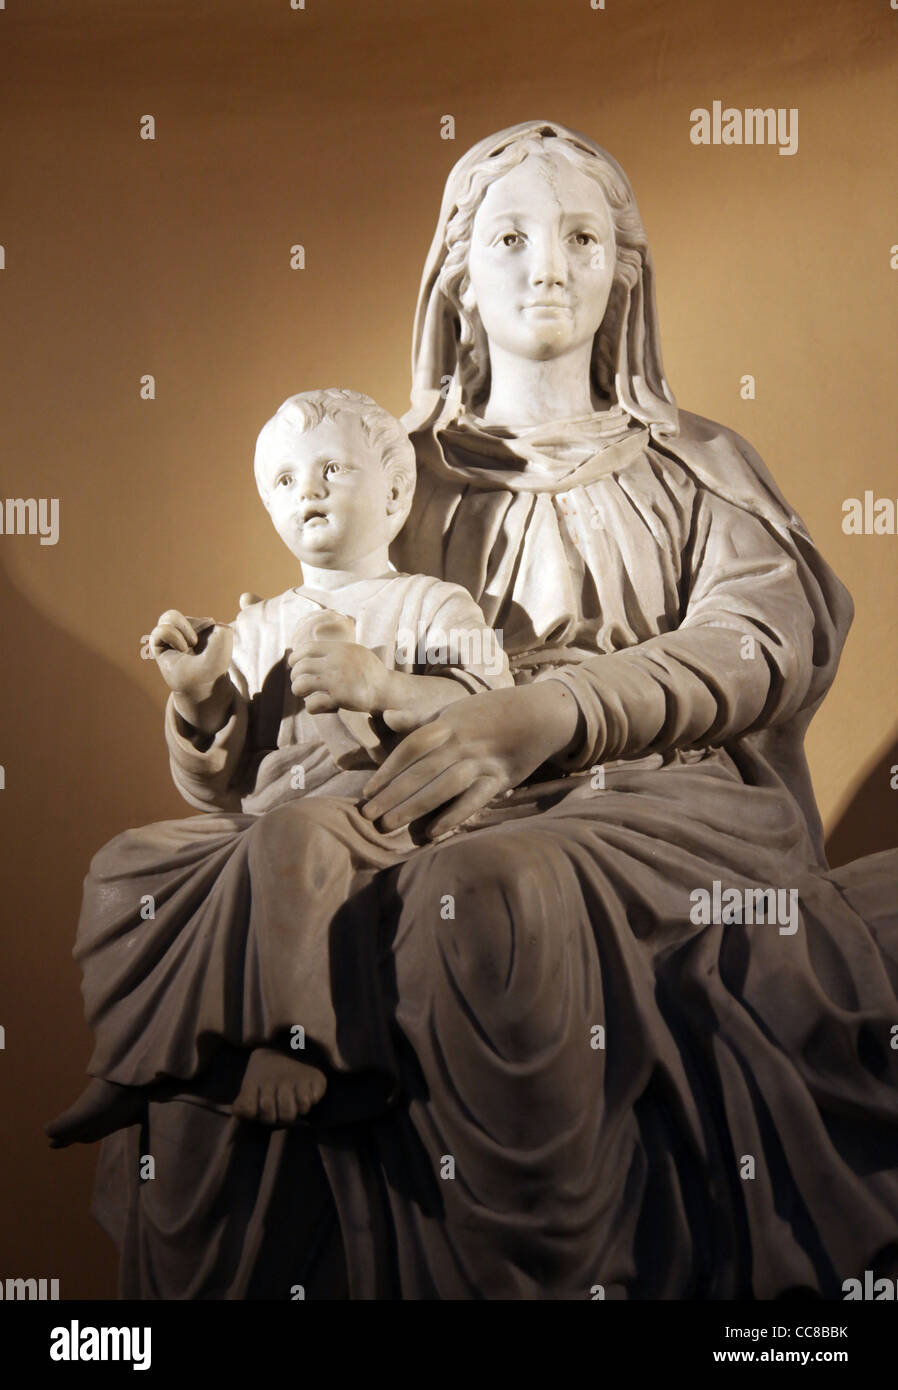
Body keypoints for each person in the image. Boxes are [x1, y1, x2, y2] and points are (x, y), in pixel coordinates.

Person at [58, 122, 898, 1301]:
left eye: (580, 237)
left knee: (488, 897)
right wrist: (205, 722)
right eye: (509, 237)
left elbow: (759, 644)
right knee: (165, 887)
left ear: (624, 273)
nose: (546, 265)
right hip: (390, 799)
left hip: (646, 802)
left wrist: (545, 716)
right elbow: (266, 734)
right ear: (457, 273)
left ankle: (545, 1274)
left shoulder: (697, 465)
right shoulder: (379, 467)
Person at [46, 387, 512, 1147]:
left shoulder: (432, 604)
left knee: (289, 840)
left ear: (396, 493)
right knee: (126, 863)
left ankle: (296, 1043)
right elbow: (217, 784)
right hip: (264, 822)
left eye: (332, 469)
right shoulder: (257, 625)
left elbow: (494, 709)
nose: (310, 492)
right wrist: (200, 696)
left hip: (378, 817)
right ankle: (134, 1063)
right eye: (286, 482)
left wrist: (384, 687)